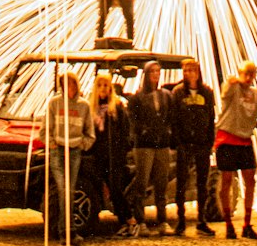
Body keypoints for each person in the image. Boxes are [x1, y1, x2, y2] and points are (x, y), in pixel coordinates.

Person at [215, 59, 257, 239]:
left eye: (252, 74)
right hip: (227, 138)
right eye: (245, 74)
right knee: (227, 179)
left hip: (244, 140)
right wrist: (231, 81)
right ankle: (229, 224)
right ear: (240, 73)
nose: (248, 78)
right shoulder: (233, 88)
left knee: (250, 180)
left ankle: (246, 223)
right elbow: (225, 91)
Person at [46, 71, 95, 245]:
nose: (69, 88)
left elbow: (90, 133)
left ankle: (64, 232)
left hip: (74, 152)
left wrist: (82, 144)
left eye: (71, 84)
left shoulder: (84, 106)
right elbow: (45, 128)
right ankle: (68, 232)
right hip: (57, 151)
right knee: (64, 190)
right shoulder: (54, 103)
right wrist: (51, 143)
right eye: (65, 84)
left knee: (68, 190)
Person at [169, 57, 216, 236]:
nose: (187, 73)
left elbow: (211, 117)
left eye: (191, 70)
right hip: (185, 144)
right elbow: (174, 119)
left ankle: (201, 220)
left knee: (202, 183)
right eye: (185, 70)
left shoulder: (207, 93)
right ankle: (181, 220)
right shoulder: (178, 93)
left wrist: (210, 141)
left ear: (197, 72)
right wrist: (179, 142)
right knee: (181, 182)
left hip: (202, 144)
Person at [127, 59, 171, 235]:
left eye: (158, 72)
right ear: (146, 75)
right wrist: (143, 132)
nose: (156, 75)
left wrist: (167, 133)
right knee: (142, 183)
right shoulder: (137, 97)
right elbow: (133, 120)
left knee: (162, 183)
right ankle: (141, 220)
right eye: (153, 72)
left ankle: (163, 220)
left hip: (162, 144)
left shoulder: (166, 96)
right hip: (144, 146)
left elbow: (170, 117)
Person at [88, 72, 133, 235]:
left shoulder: (117, 107)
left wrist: (121, 151)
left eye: (106, 85)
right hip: (100, 155)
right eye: (99, 85)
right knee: (110, 190)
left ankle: (130, 220)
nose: (102, 88)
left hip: (115, 155)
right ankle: (124, 221)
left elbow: (125, 131)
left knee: (116, 189)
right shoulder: (92, 108)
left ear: (110, 88)